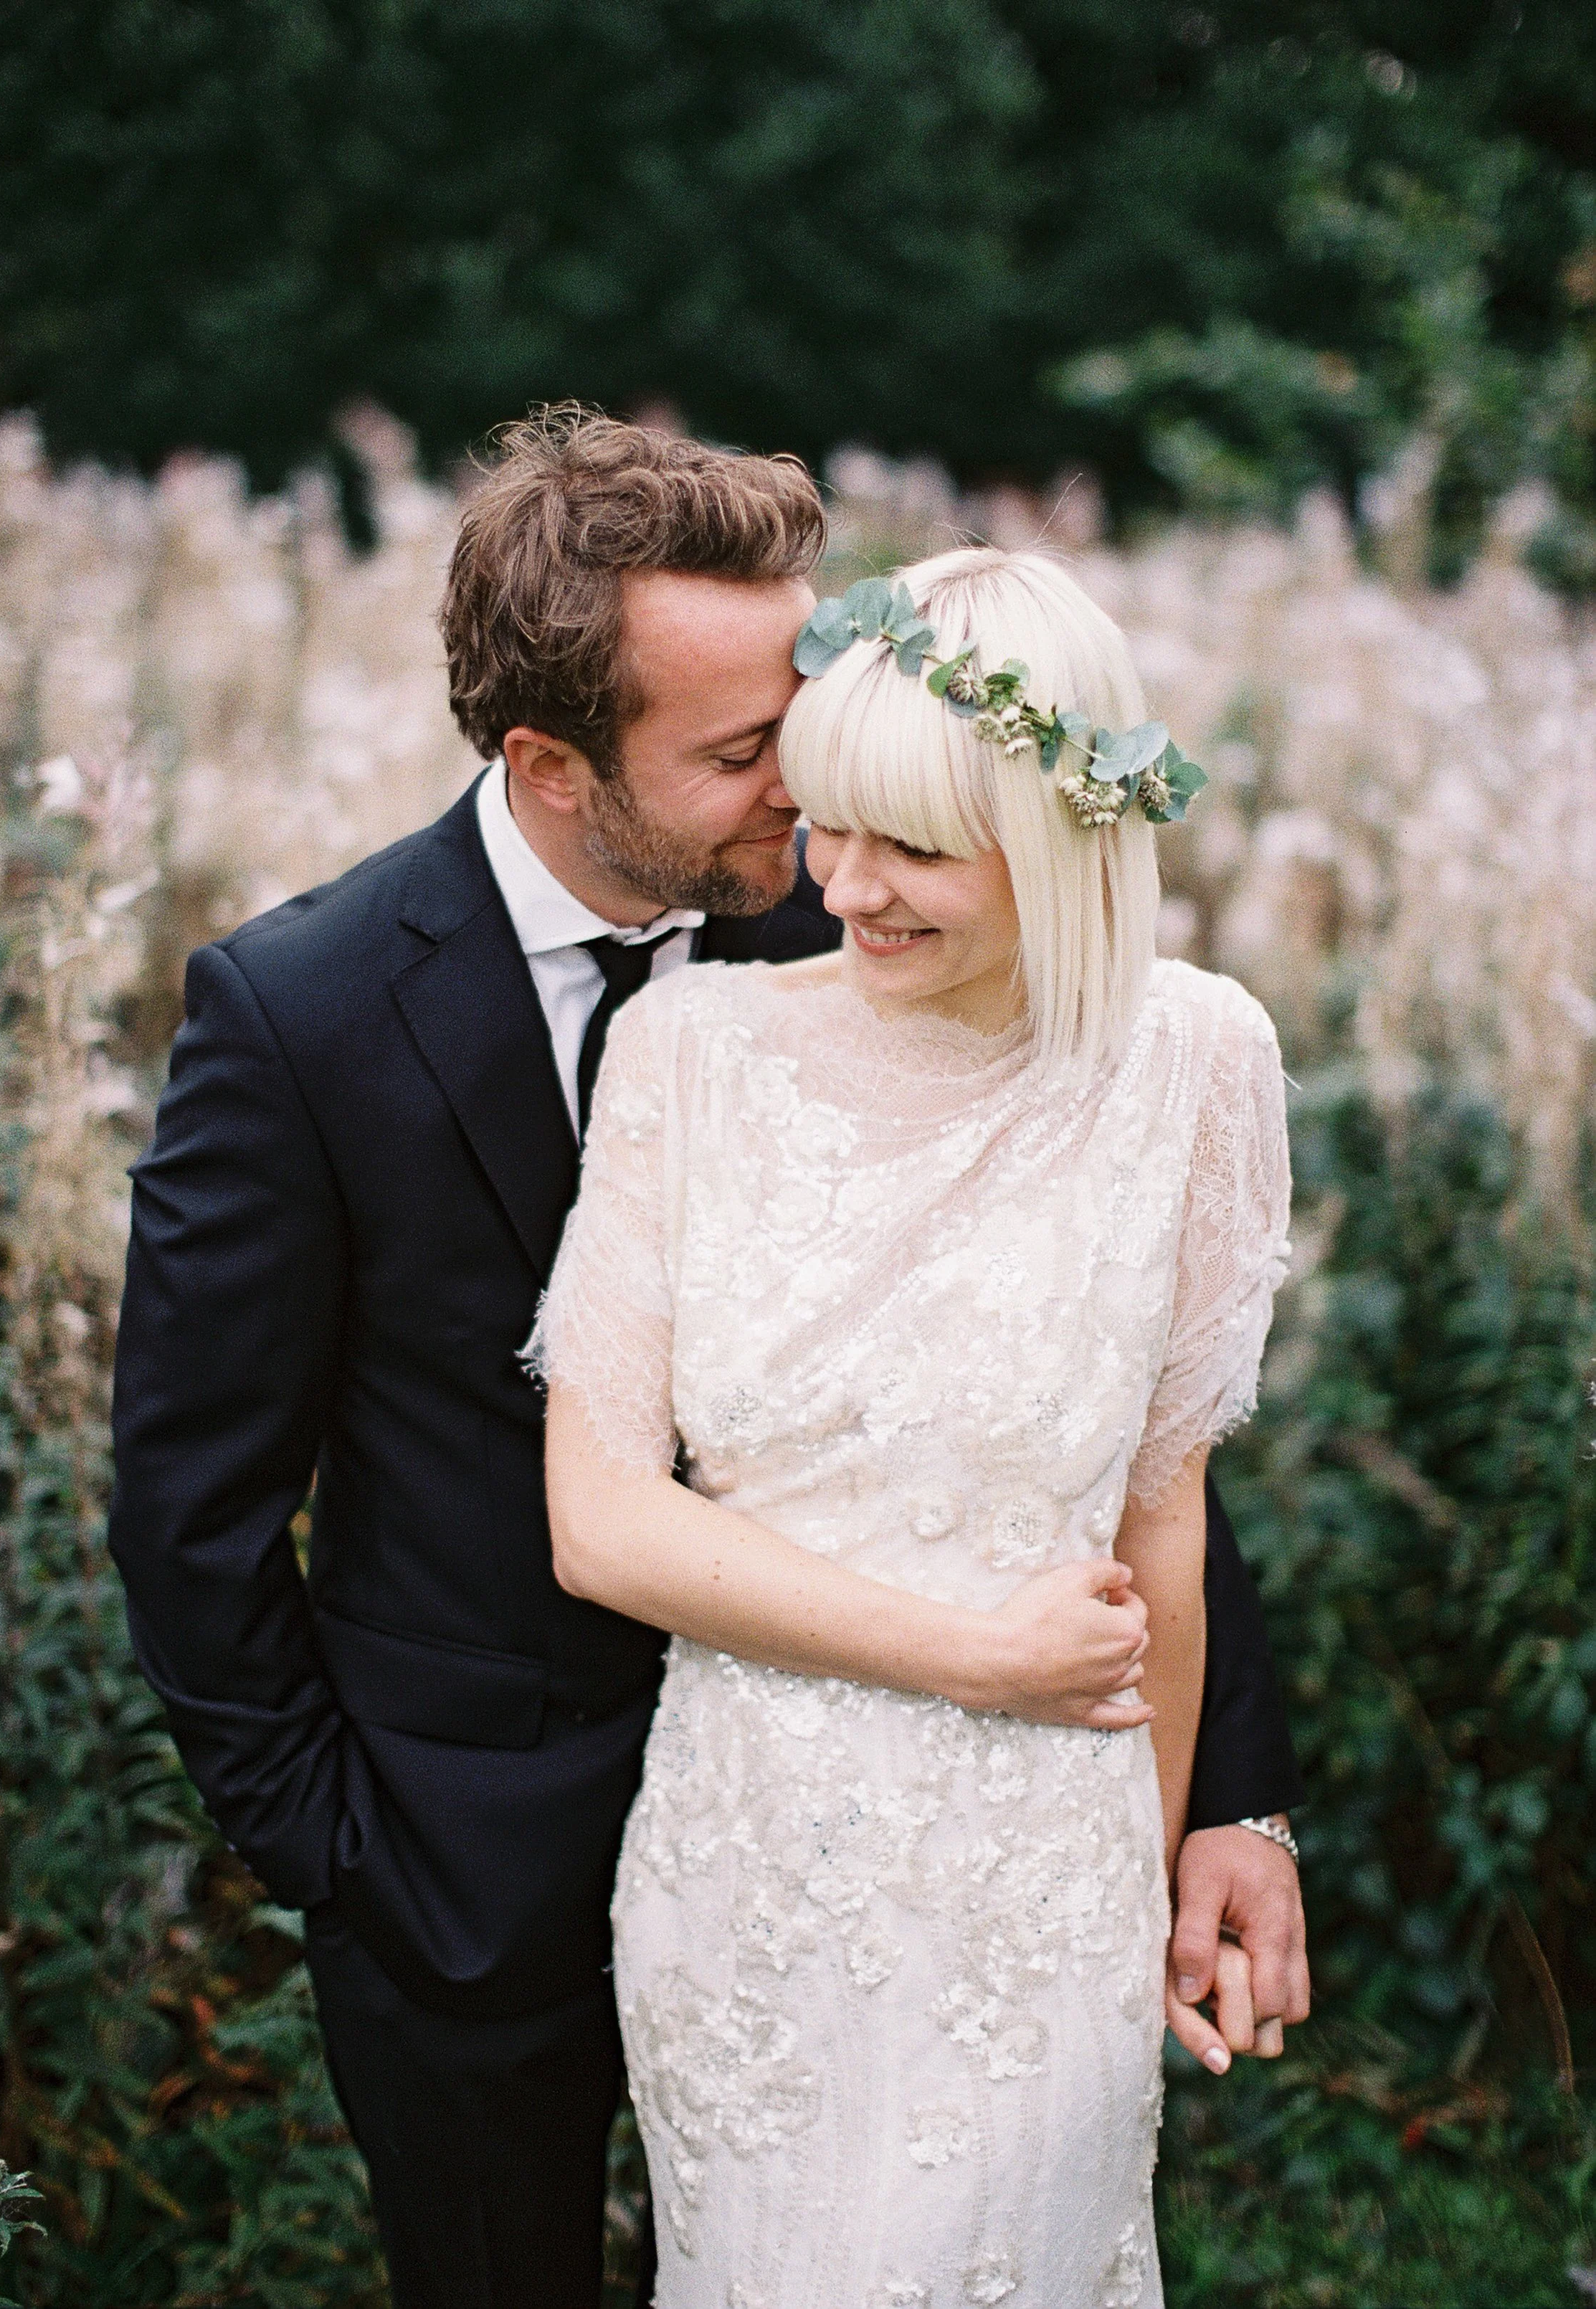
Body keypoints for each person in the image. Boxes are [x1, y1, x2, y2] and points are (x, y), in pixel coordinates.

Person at [107, 413, 1305, 2309]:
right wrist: (338, 1847)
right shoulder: (304, 1014)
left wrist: (1225, 1788)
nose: (812, 814)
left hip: (929, 1865)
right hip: (468, 1868)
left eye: (816, 723)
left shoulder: (888, 907)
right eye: (753, 757)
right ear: (550, 762)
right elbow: (190, 1501)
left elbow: (1080, 1409)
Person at [535, 546, 1294, 2305]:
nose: (847, 887)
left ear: (1064, 840)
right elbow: (603, 1524)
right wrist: (967, 1653)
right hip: (751, 1876)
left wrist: (1157, 1863)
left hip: (1044, 1887)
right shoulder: (687, 1050)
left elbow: (1160, 1526)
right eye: (828, 823)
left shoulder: (1198, 1063)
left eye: (916, 849)